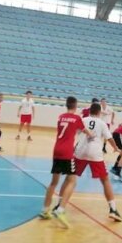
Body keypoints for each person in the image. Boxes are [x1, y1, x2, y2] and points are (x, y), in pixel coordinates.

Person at [39, 96, 90, 228]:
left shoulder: (61, 117)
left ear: (67, 105)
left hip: (56, 150)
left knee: (54, 182)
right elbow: (86, 131)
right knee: (72, 181)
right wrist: (93, 135)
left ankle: (45, 210)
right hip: (67, 152)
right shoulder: (77, 118)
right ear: (75, 105)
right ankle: (60, 210)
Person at [74, 103, 122, 222]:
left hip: (80, 151)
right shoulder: (102, 123)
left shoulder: (83, 120)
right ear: (99, 112)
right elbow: (109, 138)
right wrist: (115, 148)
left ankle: (59, 205)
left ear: (90, 111)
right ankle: (113, 209)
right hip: (95, 153)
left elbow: (76, 132)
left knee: (70, 178)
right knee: (105, 180)